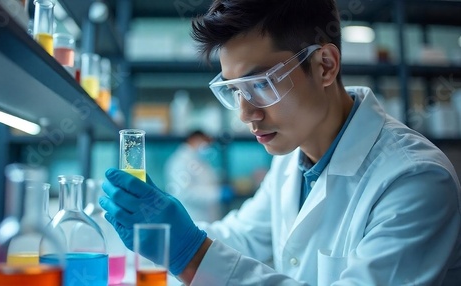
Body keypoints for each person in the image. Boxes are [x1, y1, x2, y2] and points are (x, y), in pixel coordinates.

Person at [99, 0, 461, 285]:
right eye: (233, 90)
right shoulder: (292, 157)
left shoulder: (416, 180)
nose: (245, 114)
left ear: (324, 66)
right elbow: (243, 238)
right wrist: (169, 239)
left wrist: (190, 253)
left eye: (260, 84)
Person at [164, 129, 232, 223]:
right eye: (205, 142)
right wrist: (217, 194)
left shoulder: (199, 159)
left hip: (208, 219)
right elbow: (184, 193)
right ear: (193, 139)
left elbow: (207, 181)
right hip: (193, 218)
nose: (208, 146)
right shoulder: (179, 161)